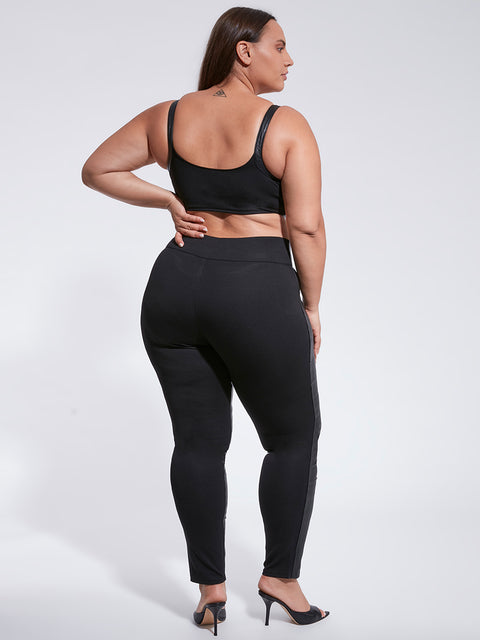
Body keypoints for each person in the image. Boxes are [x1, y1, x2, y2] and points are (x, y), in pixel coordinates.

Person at [81, 6, 328, 635]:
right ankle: (281, 578)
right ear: (245, 51)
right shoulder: (283, 124)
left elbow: (97, 169)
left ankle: (210, 593)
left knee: (197, 442)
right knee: (293, 438)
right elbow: (305, 226)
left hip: (176, 287)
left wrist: (169, 198)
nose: (289, 59)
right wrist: (311, 305)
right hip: (255, 289)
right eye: (279, 45)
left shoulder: (168, 116)